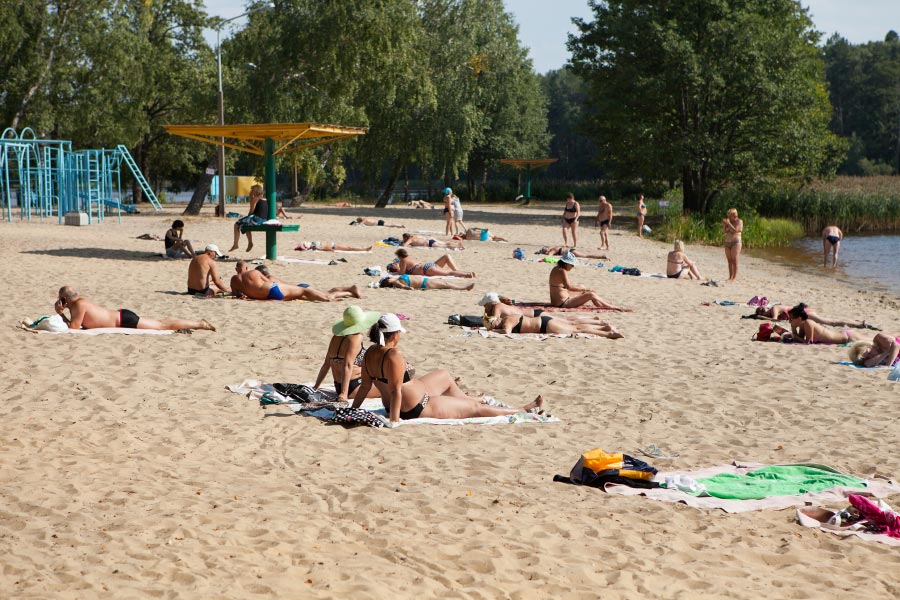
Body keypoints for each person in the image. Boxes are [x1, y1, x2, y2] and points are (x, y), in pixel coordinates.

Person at [351, 313, 545, 423]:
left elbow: (366, 387)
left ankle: (468, 398)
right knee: (475, 409)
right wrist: (394, 420)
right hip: (416, 407)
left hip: (406, 400)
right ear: (394, 334)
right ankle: (521, 409)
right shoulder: (394, 354)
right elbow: (395, 391)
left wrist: (353, 410)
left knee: (443, 375)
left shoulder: (370, 352)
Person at [54, 286, 215, 331]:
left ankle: (199, 324)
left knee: (162, 325)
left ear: (65, 299)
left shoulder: (79, 305)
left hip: (124, 320)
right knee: (161, 323)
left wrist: (60, 313)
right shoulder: (78, 304)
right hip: (122, 316)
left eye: (61, 298)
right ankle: (197, 323)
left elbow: (73, 328)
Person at [314, 306, 383, 401]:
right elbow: (347, 365)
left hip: (338, 386)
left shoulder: (336, 337)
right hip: (354, 386)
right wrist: (343, 394)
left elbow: (326, 364)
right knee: (390, 388)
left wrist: (316, 386)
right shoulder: (356, 337)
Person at [230, 261, 361, 301]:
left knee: (313, 293)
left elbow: (236, 294)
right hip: (276, 290)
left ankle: (348, 292)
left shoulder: (234, 280)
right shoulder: (254, 273)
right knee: (313, 291)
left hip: (271, 296)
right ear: (246, 267)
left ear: (236, 269)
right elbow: (270, 283)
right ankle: (347, 292)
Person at [477, 292, 617, 324]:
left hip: (535, 316)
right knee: (566, 320)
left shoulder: (497, 307)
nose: (484, 308)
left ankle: (594, 320)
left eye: (485, 305)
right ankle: (593, 319)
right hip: (535, 314)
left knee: (566, 321)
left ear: (491, 303)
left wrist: (484, 319)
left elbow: (492, 323)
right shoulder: (502, 305)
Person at [549, 252, 625, 310]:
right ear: (566, 263)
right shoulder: (562, 271)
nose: (573, 267)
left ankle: (600, 303)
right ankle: (610, 306)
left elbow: (565, 287)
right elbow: (569, 287)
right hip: (563, 303)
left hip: (558, 301)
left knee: (582, 287)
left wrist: (583, 289)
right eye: (572, 265)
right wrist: (585, 289)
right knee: (590, 294)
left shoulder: (556, 268)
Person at [485, 314, 623, 339]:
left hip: (545, 326)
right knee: (573, 325)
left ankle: (609, 334)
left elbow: (506, 332)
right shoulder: (508, 318)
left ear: (495, 321)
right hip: (544, 322)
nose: (493, 328)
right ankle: (603, 326)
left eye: (492, 325)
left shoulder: (506, 321)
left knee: (577, 329)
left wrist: (495, 331)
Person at [788, 304, 866, 345]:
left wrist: (794, 336)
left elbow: (808, 343)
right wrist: (793, 329)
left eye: (791, 319)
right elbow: (799, 339)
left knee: (871, 341)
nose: (789, 321)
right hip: (844, 336)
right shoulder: (803, 325)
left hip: (848, 337)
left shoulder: (808, 323)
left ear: (799, 318)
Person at [230, 184, 268, 253]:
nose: (251, 192)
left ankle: (236, 244)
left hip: (257, 219)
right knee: (246, 223)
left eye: (252, 190)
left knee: (237, 224)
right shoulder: (265, 199)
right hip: (264, 220)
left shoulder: (256, 199)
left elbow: (251, 210)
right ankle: (250, 243)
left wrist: (251, 199)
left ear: (255, 191)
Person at [388, 248, 475, 278]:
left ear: (399, 256)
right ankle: (464, 273)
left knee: (448, 273)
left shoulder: (403, 261)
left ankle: (467, 274)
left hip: (426, 270)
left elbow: (402, 274)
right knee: (448, 270)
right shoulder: (410, 257)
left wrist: (397, 270)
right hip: (429, 265)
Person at [379, 274, 475, 291]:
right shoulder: (396, 282)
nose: (390, 277)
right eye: (389, 278)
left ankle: (464, 287)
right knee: (446, 284)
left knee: (445, 282)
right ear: (388, 281)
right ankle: (465, 288)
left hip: (425, 281)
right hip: (425, 284)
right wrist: (410, 288)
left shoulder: (397, 279)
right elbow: (403, 287)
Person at [722, 208, 743, 281]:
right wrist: (724, 225)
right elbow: (724, 231)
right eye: (728, 215)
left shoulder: (739, 221)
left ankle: (734, 277)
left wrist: (728, 224)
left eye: (730, 215)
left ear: (734, 215)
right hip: (727, 243)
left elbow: (735, 230)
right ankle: (730, 276)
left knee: (735, 260)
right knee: (729, 261)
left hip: (736, 243)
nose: (728, 217)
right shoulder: (728, 222)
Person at [539, 246, 608, 260]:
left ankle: (601, 256)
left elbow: (549, 255)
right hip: (571, 251)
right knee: (585, 255)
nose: (545, 252)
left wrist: (543, 258)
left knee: (585, 256)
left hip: (571, 252)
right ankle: (601, 256)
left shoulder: (552, 250)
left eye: (544, 251)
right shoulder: (553, 248)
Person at [295, 241, 372, 252]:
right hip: (333, 246)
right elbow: (324, 248)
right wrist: (330, 250)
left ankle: (363, 248)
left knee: (349, 247)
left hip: (333, 244)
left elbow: (299, 246)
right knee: (349, 248)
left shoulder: (312, 243)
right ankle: (364, 249)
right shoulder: (316, 247)